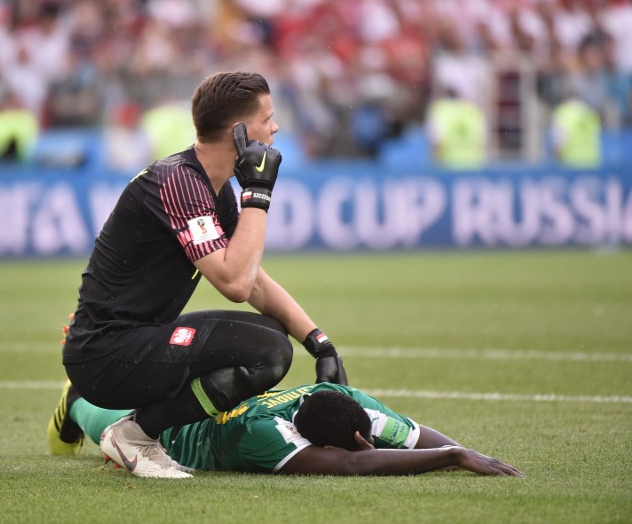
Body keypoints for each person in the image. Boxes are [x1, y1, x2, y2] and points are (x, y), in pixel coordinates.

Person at [55, 71, 348, 479]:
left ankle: (98, 414)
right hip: (107, 353)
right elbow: (235, 284)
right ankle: (136, 434)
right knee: (267, 351)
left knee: (268, 341)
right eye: (268, 118)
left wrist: (319, 343)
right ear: (240, 132)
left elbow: (254, 280)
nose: (276, 127)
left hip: (133, 340)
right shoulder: (179, 182)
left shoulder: (210, 186)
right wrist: (258, 194)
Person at [49, 380, 523, 478]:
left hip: (189, 404)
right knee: (96, 417)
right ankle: (73, 399)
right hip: (168, 435)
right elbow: (355, 463)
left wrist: (467, 448)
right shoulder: (264, 435)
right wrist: (453, 458)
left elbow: (410, 434)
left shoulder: (340, 399)